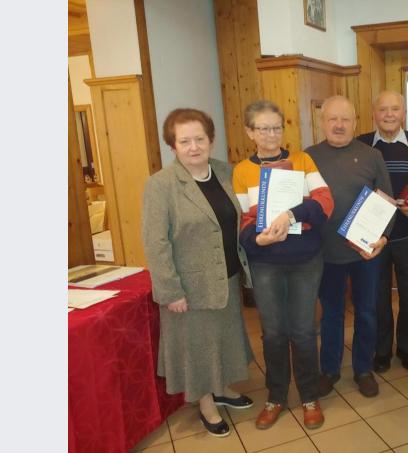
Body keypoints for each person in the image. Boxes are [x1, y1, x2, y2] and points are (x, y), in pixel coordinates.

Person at [142, 108, 254, 438]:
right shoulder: (161, 185)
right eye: (185, 141)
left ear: (211, 140)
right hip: (188, 286)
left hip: (227, 276)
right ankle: (206, 401)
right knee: (197, 348)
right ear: (172, 146)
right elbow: (154, 241)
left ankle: (222, 388)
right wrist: (170, 290)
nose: (194, 147)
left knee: (223, 339)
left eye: (200, 139)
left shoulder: (224, 172)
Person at [232, 100, 334, 430]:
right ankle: (276, 396)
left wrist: (292, 214)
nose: (271, 134)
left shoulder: (303, 161)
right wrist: (255, 240)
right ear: (250, 132)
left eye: (277, 127)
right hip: (266, 264)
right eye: (263, 128)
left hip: (305, 260)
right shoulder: (242, 171)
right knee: (274, 333)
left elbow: (325, 203)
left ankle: (308, 396)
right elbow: (245, 220)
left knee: (303, 331)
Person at [306, 95, 394, 398]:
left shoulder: (371, 156)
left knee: (367, 311)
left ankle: (363, 369)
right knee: (331, 313)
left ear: (356, 122)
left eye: (345, 119)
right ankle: (329, 370)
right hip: (324, 252)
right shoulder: (308, 157)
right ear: (322, 122)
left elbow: (387, 201)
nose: (339, 125)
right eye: (333, 119)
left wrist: (383, 238)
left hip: (364, 252)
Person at [357, 91, 408, 374]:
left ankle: (407, 348)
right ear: (374, 114)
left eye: (395, 109)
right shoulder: (361, 144)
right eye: (383, 109)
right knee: (377, 296)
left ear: (404, 114)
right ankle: (381, 350)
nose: (389, 114)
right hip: (373, 233)